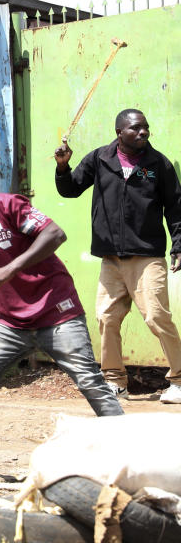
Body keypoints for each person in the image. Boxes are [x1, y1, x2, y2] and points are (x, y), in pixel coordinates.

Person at [0, 157, 123, 476]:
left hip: (56, 309)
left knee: (90, 380)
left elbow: (55, 235)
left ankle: (129, 452)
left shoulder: (6, 204)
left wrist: (11, 267)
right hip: (13, 323)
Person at [55, 109, 181, 403]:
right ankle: (115, 381)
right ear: (119, 132)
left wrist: (178, 245)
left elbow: (175, 208)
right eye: (136, 128)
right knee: (106, 318)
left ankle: (178, 379)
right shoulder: (99, 159)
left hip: (146, 256)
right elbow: (71, 189)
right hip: (110, 258)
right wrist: (62, 167)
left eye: (146, 128)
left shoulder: (157, 164)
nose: (143, 133)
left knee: (156, 317)